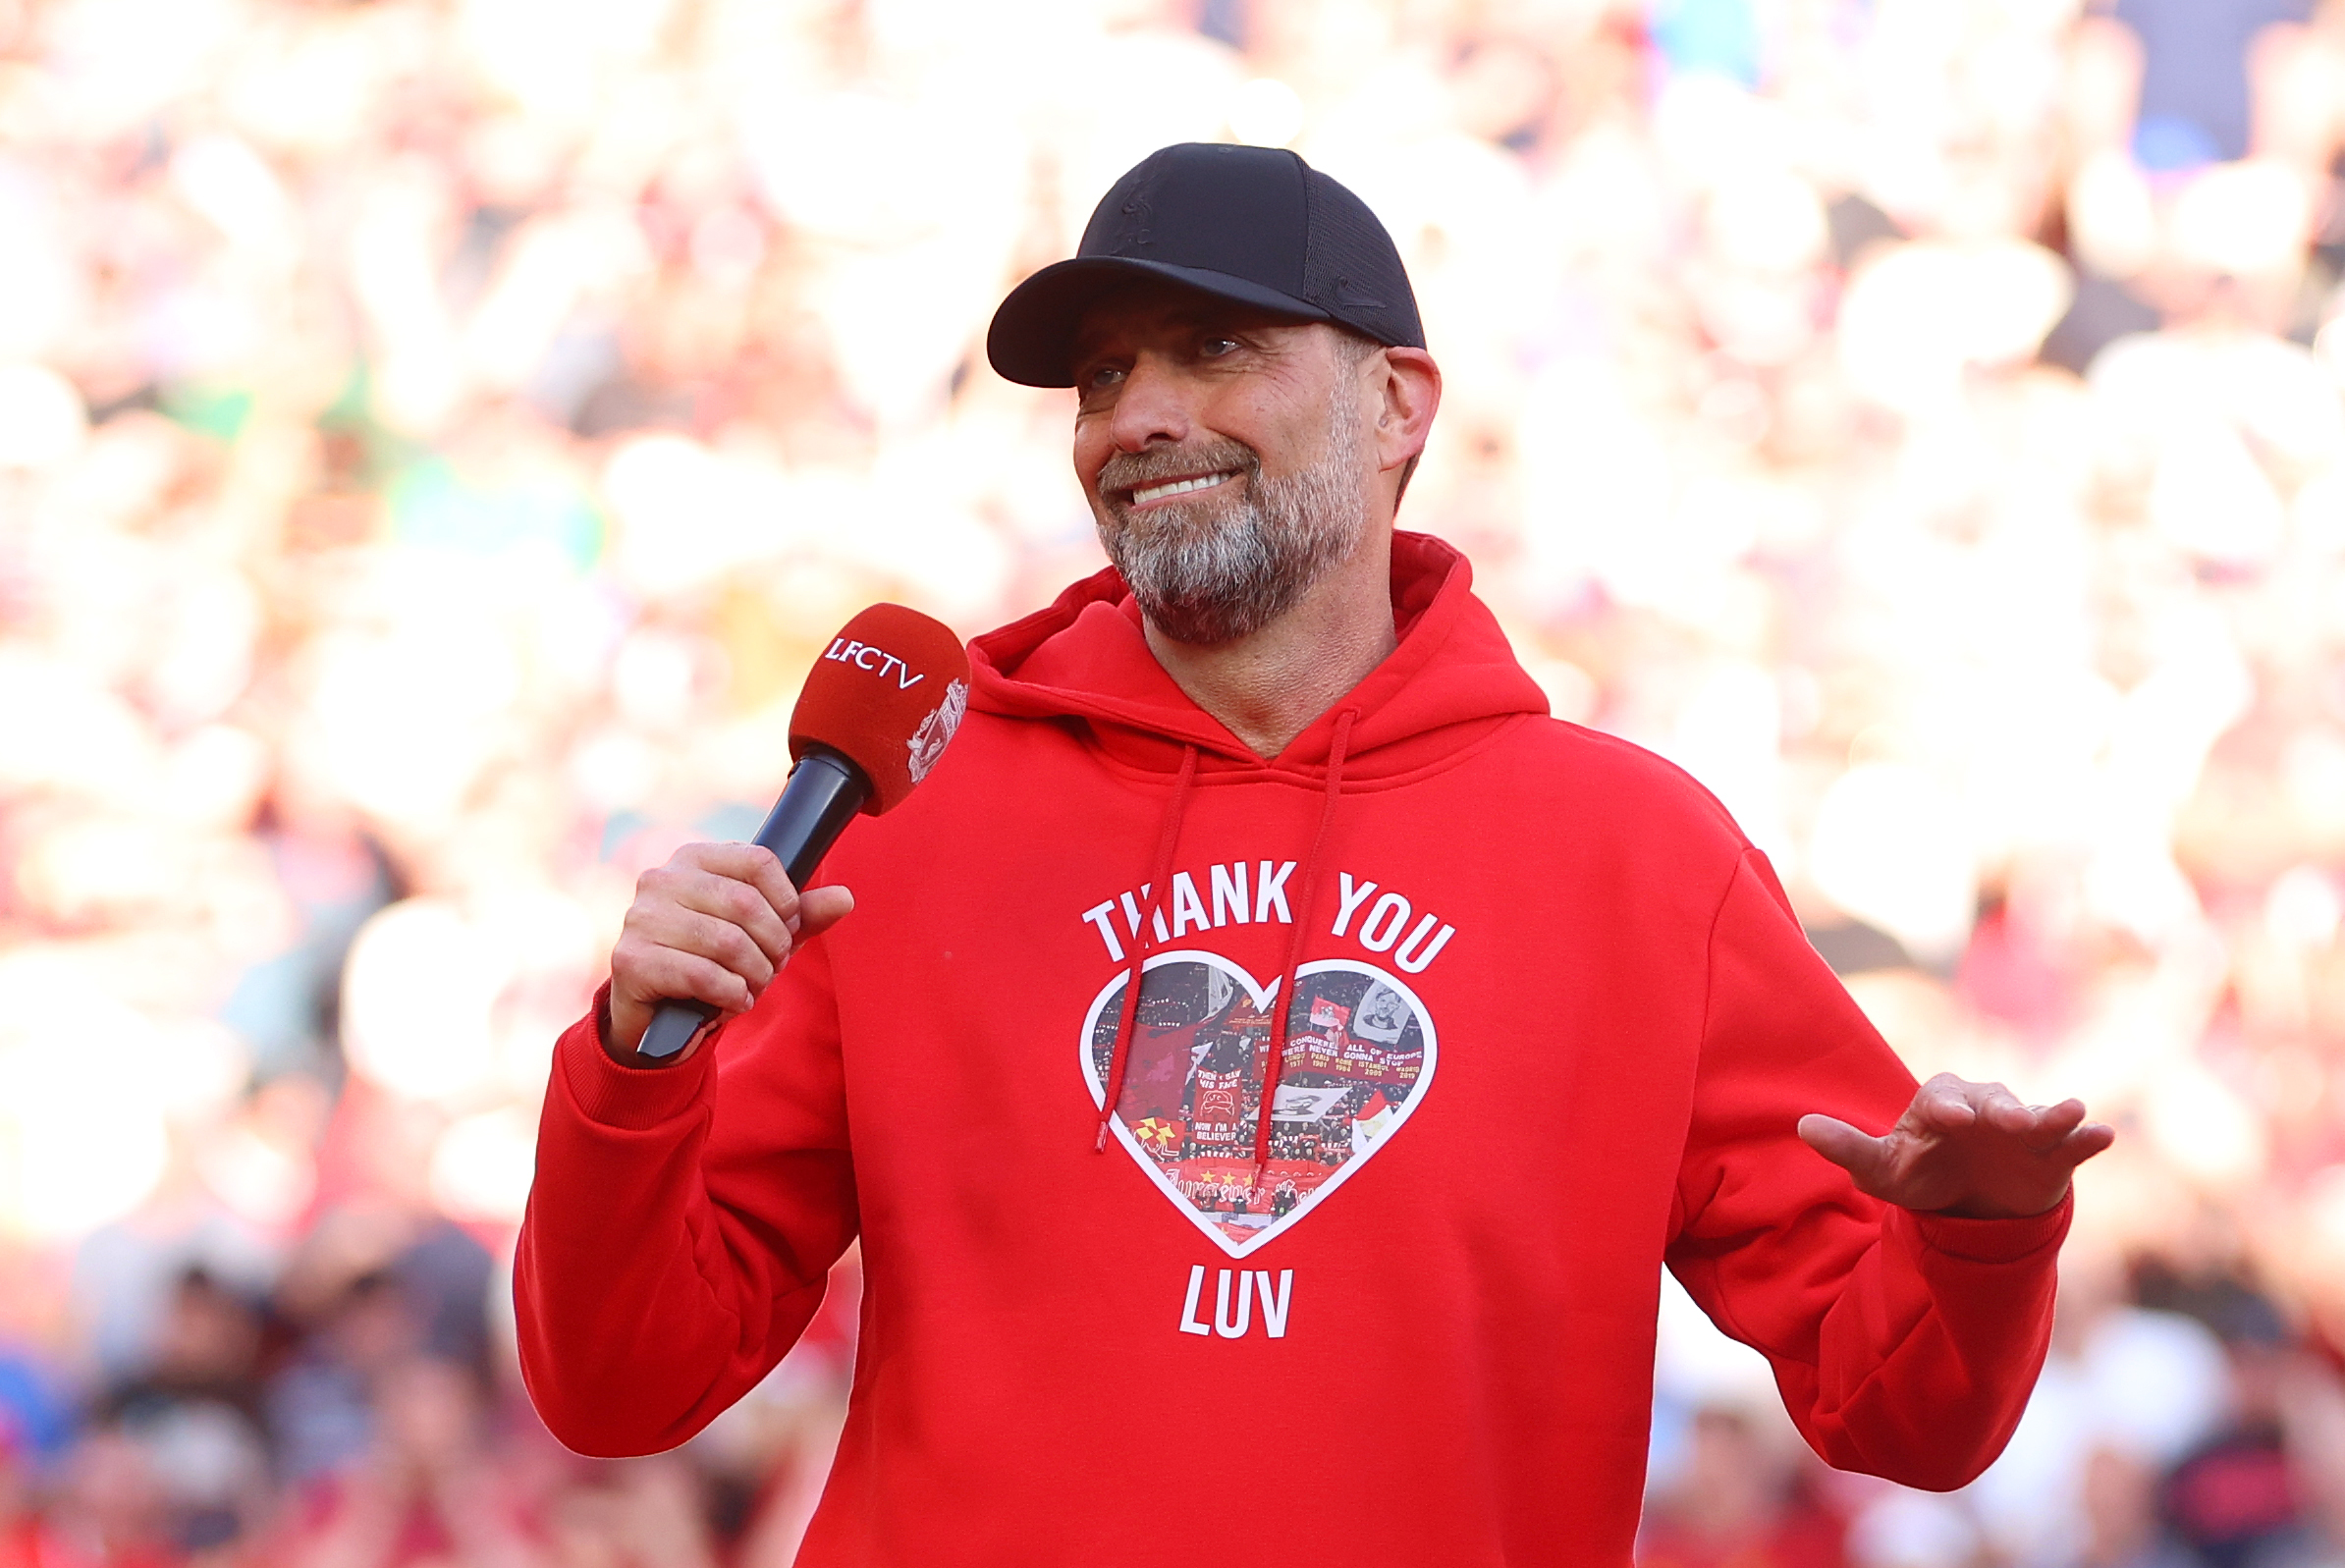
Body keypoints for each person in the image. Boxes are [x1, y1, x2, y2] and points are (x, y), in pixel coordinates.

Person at [515, 142, 2113, 1565]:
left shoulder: (1637, 855)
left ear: (1397, 404)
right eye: (1103, 377)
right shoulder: (908, 812)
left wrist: (1973, 1237)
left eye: (1215, 349)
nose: (1139, 415)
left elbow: (1901, 1418)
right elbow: (622, 1383)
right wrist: (631, 1072)